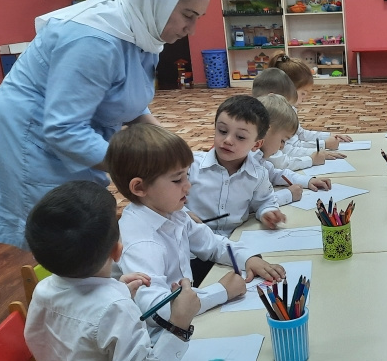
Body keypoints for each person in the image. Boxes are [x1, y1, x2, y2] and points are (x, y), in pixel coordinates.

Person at [0, 0, 210, 249]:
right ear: (159, 0)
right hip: (34, 139)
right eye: (188, 15)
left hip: (74, 131)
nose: (192, 29)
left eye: (198, 18)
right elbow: (64, 129)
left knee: (88, 230)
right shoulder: (95, 39)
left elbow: (128, 99)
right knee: (63, 240)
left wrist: (171, 149)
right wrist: (143, 169)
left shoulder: (143, 31)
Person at [23, 180, 200, 361]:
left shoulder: (44, 290)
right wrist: (180, 323)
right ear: (118, 251)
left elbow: (80, 326)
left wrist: (116, 292)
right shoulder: (112, 307)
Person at [108, 124, 285, 332]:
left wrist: (246, 258)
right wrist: (221, 291)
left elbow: (211, 244)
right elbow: (157, 311)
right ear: (139, 187)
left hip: (184, 322)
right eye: (177, 179)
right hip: (156, 338)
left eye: (187, 175)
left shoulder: (172, 212)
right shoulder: (142, 242)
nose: (188, 185)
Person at [185, 95, 286, 238]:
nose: (228, 140)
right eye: (222, 131)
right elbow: (163, 200)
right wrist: (182, 213)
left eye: (240, 137)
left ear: (256, 144)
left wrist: (267, 212)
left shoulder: (258, 174)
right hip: (191, 241)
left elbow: (265, 201)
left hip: (233, 240)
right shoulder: (189, 165)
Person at [267, 53, 352, 154]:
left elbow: (301, 134)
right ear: (287, 89)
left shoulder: (290, 108)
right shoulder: (277, 115)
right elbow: (290, 149)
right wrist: (323, 145)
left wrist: (330, 136)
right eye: (303, 93)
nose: (305, 98)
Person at [256, 94, 332, 206]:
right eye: (282, 140)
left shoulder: (258, 157)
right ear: (267, 131)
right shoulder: (243, 160)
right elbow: (250, 204)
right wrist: (288, 195)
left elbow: (275, 174)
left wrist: (308, 181)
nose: (282, 147)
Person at [251, 67, 328, 171]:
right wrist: (311, 158)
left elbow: (274, 171)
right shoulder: (254, 144)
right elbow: (281, 161)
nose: (282, 146)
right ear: (272, 98)